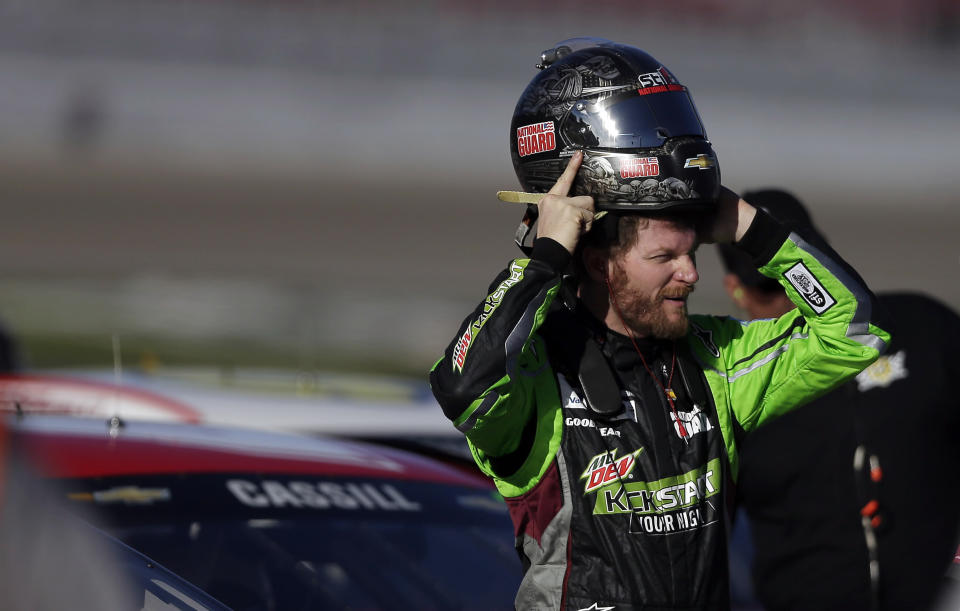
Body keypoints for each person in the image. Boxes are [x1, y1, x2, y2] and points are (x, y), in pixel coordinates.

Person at [429, 38, 891, 611]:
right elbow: (462, 385)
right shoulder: (538, 380)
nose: (691, 274)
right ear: (599, 263)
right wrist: (543, 257)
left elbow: (854, 330)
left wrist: (752, 227)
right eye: (664, 258)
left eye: (693, 251)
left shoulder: (715, 361)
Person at [717, 189, 960, 611]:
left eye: (800, 275)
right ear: (735, 289)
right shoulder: (726, 383)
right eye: (770, 286)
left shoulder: (926, 329)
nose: (793, 297)